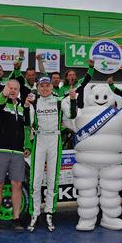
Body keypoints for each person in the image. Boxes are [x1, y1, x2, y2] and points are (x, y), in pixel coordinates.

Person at [25, 76, 77, 232]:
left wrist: (73, 99)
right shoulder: (34, 102)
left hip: (55, 139)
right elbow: (27, 123)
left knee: (52, 180)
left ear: (52, 87)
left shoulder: (59, 100)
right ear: (38, 87)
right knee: (35, 181)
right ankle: (34, 213)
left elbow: (72, 115)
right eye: (42, 85)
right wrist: (26, 106)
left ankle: (49, 213)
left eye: (47, 85)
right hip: (39, 139)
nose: (45, 88)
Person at [0, 80, 29, 232]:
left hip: (17, 152)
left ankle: (16, 219)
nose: (13, 90)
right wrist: (2, 96)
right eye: (10, 88)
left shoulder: (23, 106)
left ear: (18, 90)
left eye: (15, 88)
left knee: (17, 185)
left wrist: (27, 146)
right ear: (5, 89)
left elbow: (26, 127)